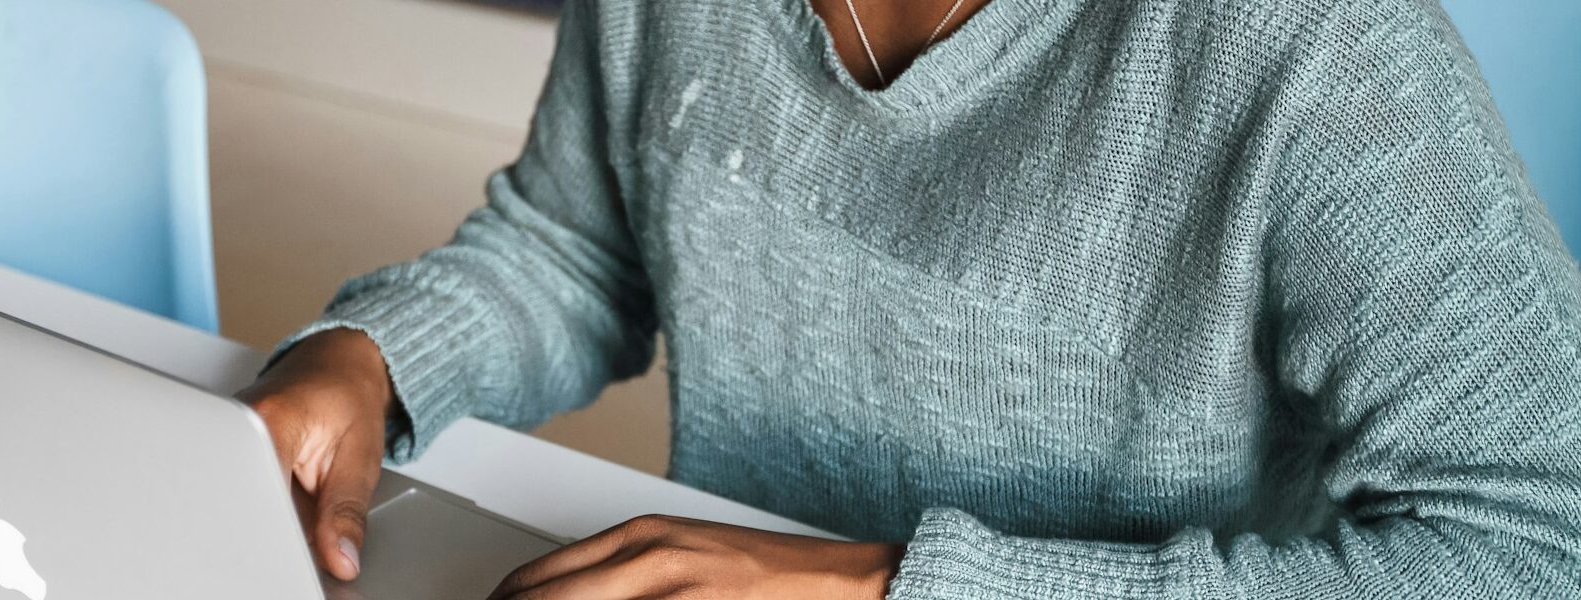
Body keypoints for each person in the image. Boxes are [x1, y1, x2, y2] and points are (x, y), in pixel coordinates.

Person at [236, 0, 1581, 597]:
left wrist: (884, 591)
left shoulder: (1315, 44)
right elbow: (581, 248)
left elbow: (1539, 543)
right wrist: (373, 358)